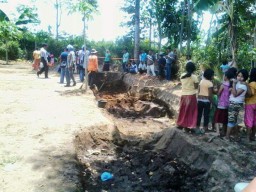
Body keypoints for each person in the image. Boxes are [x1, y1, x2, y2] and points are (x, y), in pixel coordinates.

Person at [225, 69, 249, 141]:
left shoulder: (243, 86)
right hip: (234, 103)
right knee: (233, 120)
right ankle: (236, 136)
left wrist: (233, 86)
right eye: (238, 75)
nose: (239, 77)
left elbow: (235, 94)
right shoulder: (238, 83)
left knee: (231, 120)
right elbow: (231, 90)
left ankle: (227, 137)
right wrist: (232, 88)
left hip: (235, 104)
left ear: (245, 77)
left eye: (242, 76)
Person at [176, 62, 199, 131]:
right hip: (191, 96)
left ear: (186, 68)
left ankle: (181, 124)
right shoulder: (194, 77)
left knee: (183, 110)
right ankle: (189, 125)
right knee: (191, 111)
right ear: (193, 69)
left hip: (184, 95)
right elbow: (196, 87)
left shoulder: (182, 75)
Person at [214, 70, 233, 136]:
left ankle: (218, 132)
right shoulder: (231, 85)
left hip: (221, 104)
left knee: (217, 118)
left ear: (226, 77)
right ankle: (223, 132)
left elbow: (219, 93)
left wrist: (216, 91)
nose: (223, 77)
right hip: (227, 104)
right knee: (225, 119)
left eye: (224, 75)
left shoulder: (223, 84)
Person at [196, 69, 215, 133]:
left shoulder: (201, 81)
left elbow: (198, 91)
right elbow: (210, 95)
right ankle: (205, 128)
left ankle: (197, 128)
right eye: (213, 75)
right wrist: (213, 102)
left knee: (199, 114)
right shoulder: (210, 83)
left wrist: (197, 98)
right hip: (207, 101)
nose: (213, 76)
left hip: (200, 100)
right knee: (206, 115)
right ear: (210, 76)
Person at [244, 68, 256, 141]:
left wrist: (246, 85)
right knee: (255, 121)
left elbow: (251, 94)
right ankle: (253, 136)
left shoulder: (252, 83)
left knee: (249, 120)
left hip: (250, 103)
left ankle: (248, 137)